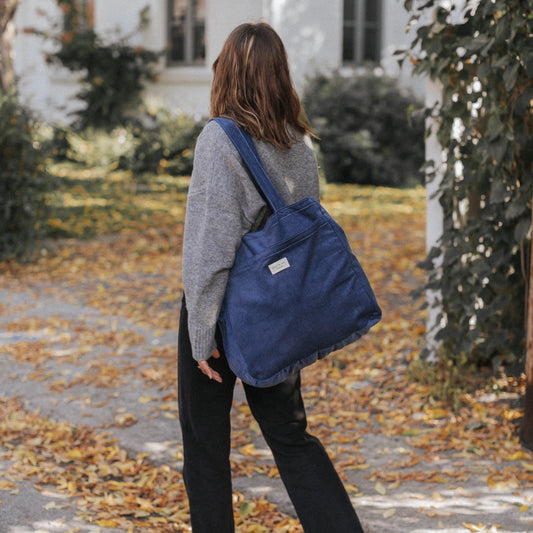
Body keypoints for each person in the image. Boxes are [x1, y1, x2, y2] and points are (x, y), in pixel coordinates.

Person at [178, 22, 365, 533]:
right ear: (279, 75)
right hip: (278, 308)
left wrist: (200, 332)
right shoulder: (299, 142)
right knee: (290, 435)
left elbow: (209, 247)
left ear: (228, 73)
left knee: (205, 445)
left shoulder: (218, 139)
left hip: (219, 310)